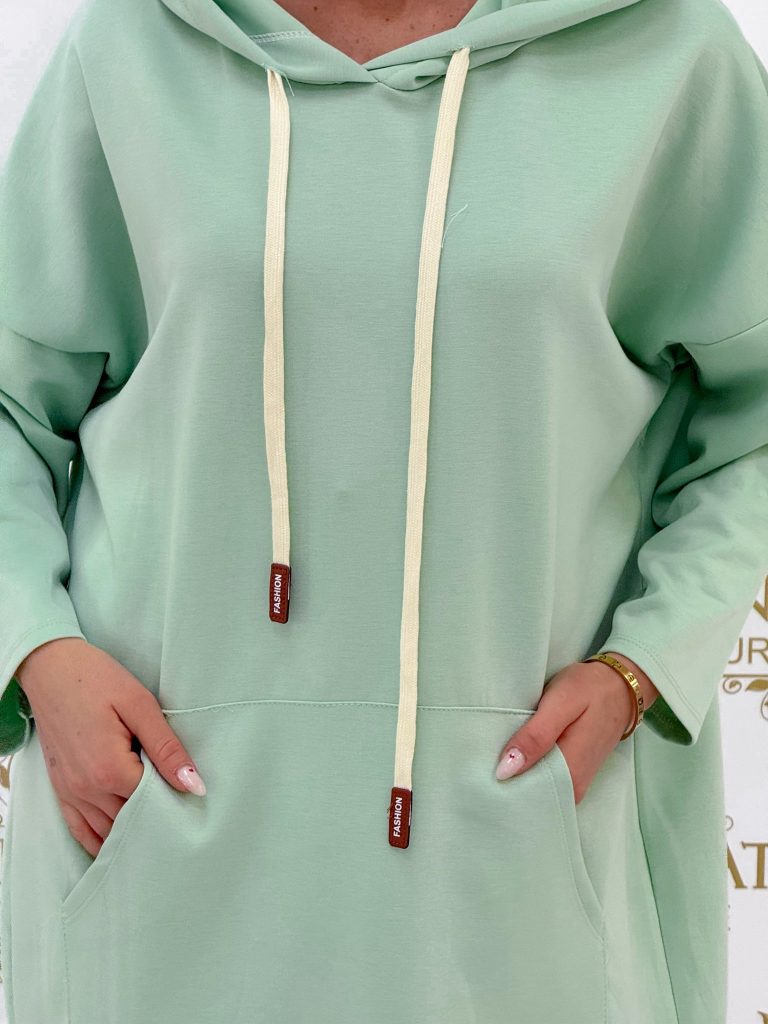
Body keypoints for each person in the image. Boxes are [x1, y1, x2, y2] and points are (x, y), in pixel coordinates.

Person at [0, 0, 766, 1020]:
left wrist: (644, 668)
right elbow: (12, 401)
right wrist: (38, 649)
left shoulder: (664, 52)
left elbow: (755, 417)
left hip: (521, 853)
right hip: (155, 825)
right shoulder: (135, 46)